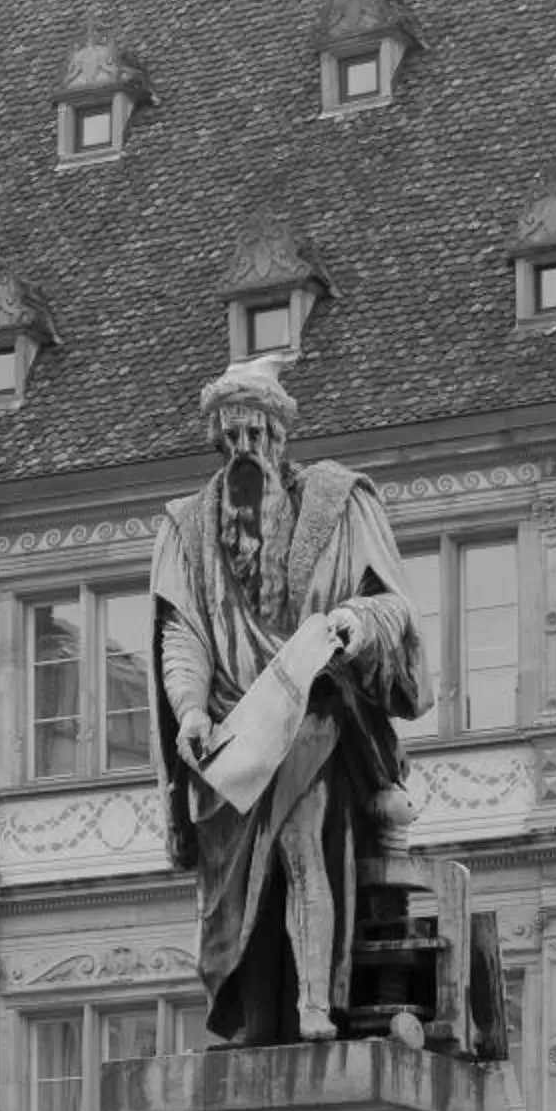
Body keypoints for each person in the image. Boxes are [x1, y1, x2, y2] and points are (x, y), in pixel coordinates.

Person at [150, 354, 427, 1043]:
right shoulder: (186, 528)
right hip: (231, 740)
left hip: (314, 713)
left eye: (258, 436)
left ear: (280, 437)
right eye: (232, 438)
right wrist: (188, 707)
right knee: (240, 892)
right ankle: (257, 1011)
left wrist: (353, 624)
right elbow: (182, 633)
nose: (246, 451)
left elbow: (393, 608)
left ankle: (313, 1002)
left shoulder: (340, 501)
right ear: (218, 441)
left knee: (304, 845)